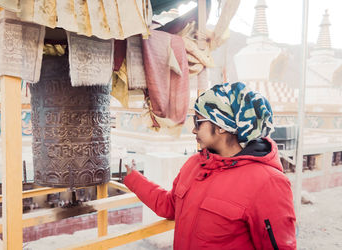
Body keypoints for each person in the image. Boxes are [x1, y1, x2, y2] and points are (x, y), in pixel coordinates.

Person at [124, 82, 296, 249]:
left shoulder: (268, 183)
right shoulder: (195, 165)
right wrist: (134, 178)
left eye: (198, 122)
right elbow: (170, 206)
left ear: (222, 125)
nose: (193, 130)